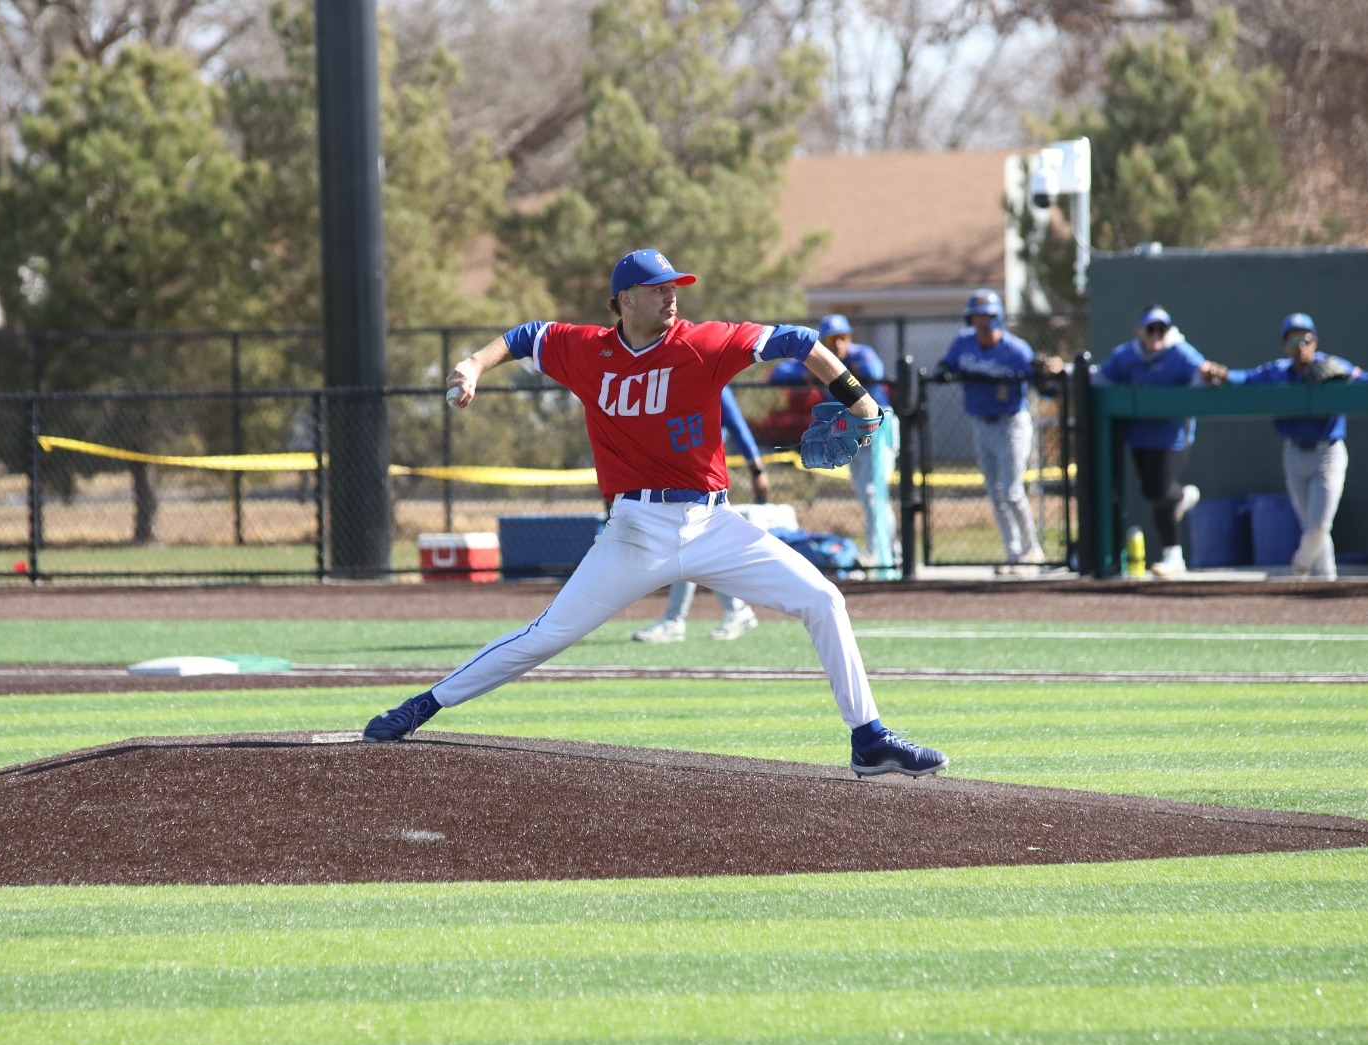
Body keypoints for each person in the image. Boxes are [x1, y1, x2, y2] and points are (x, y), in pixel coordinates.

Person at [362, 248, 948, 778]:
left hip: (714, 524)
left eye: (674, 286)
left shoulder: (703, 342)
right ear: (624, 300)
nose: (672, 295)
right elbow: (526, 335)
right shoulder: (587, 350)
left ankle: (868, 739)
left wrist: (859, 397)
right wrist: (472, 365)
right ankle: (422, 706)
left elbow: (797, 341)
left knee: (823, 600)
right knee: (545, 637)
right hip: (636, 531)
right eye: (658, 287)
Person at [1212, 313, 1368, 581]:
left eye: (1306, 339)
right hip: (1295, 452)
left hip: (1327, 452)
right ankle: (1326, 580)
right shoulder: (1278, 371)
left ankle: (1300, 566)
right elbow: (1247, 379)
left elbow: (1366, 380)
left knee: (1319, 525)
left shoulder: (1333, 365)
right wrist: (1223, 374)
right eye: (1294, 339)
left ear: (1315, 342)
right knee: (1311, 526)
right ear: (1285, 345)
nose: (1301, 345)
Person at [935, 289, 1065, 574]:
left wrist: (1048, 374)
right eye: (978, 316)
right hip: (981, 423)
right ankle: (1013, 554)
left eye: (988, 316)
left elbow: (1044, 388)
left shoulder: (1015, 349)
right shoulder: (963, 343)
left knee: (1012, 491)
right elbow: (945, 366)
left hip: (1012, 423)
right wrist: (945, 372)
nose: (983, 321)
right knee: (996, 494)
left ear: (998, 318)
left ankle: (1032, 551)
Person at [631, 384, 771, 643]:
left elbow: (738, 425)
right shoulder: (669, 381)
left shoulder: (714, 383)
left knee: (686, 547)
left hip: (703, 482)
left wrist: (757, 469)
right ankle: (732, 611)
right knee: (687, 548)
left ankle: (680, 620)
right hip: (678, 478)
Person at [1094, 305, 1222, 578]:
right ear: (1139, 330)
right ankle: (1173, 555)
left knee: (1157, 490)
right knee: (1155, 496)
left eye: (1161, 328)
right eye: (1150, 328)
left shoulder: (1180, 351)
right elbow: (1101, 378)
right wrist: (1070, 372)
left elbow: (1200, 374)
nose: (1156, 334)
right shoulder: (1126, 355)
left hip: (1172, 436)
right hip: (1139, 436)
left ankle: (1184, 497)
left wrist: (1207, 374)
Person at [812, 314, 898, 574]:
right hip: (849, 430)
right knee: (866, 492)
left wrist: (843, 369)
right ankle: (889, 550)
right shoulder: (822, 363)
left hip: (879, 426)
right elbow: (783, 373)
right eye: (831, 339)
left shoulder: (861, 355)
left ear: (849, 338)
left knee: (874, 492)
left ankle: (879, 553)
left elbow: (875, 372)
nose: (838, 344)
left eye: (842, 338)